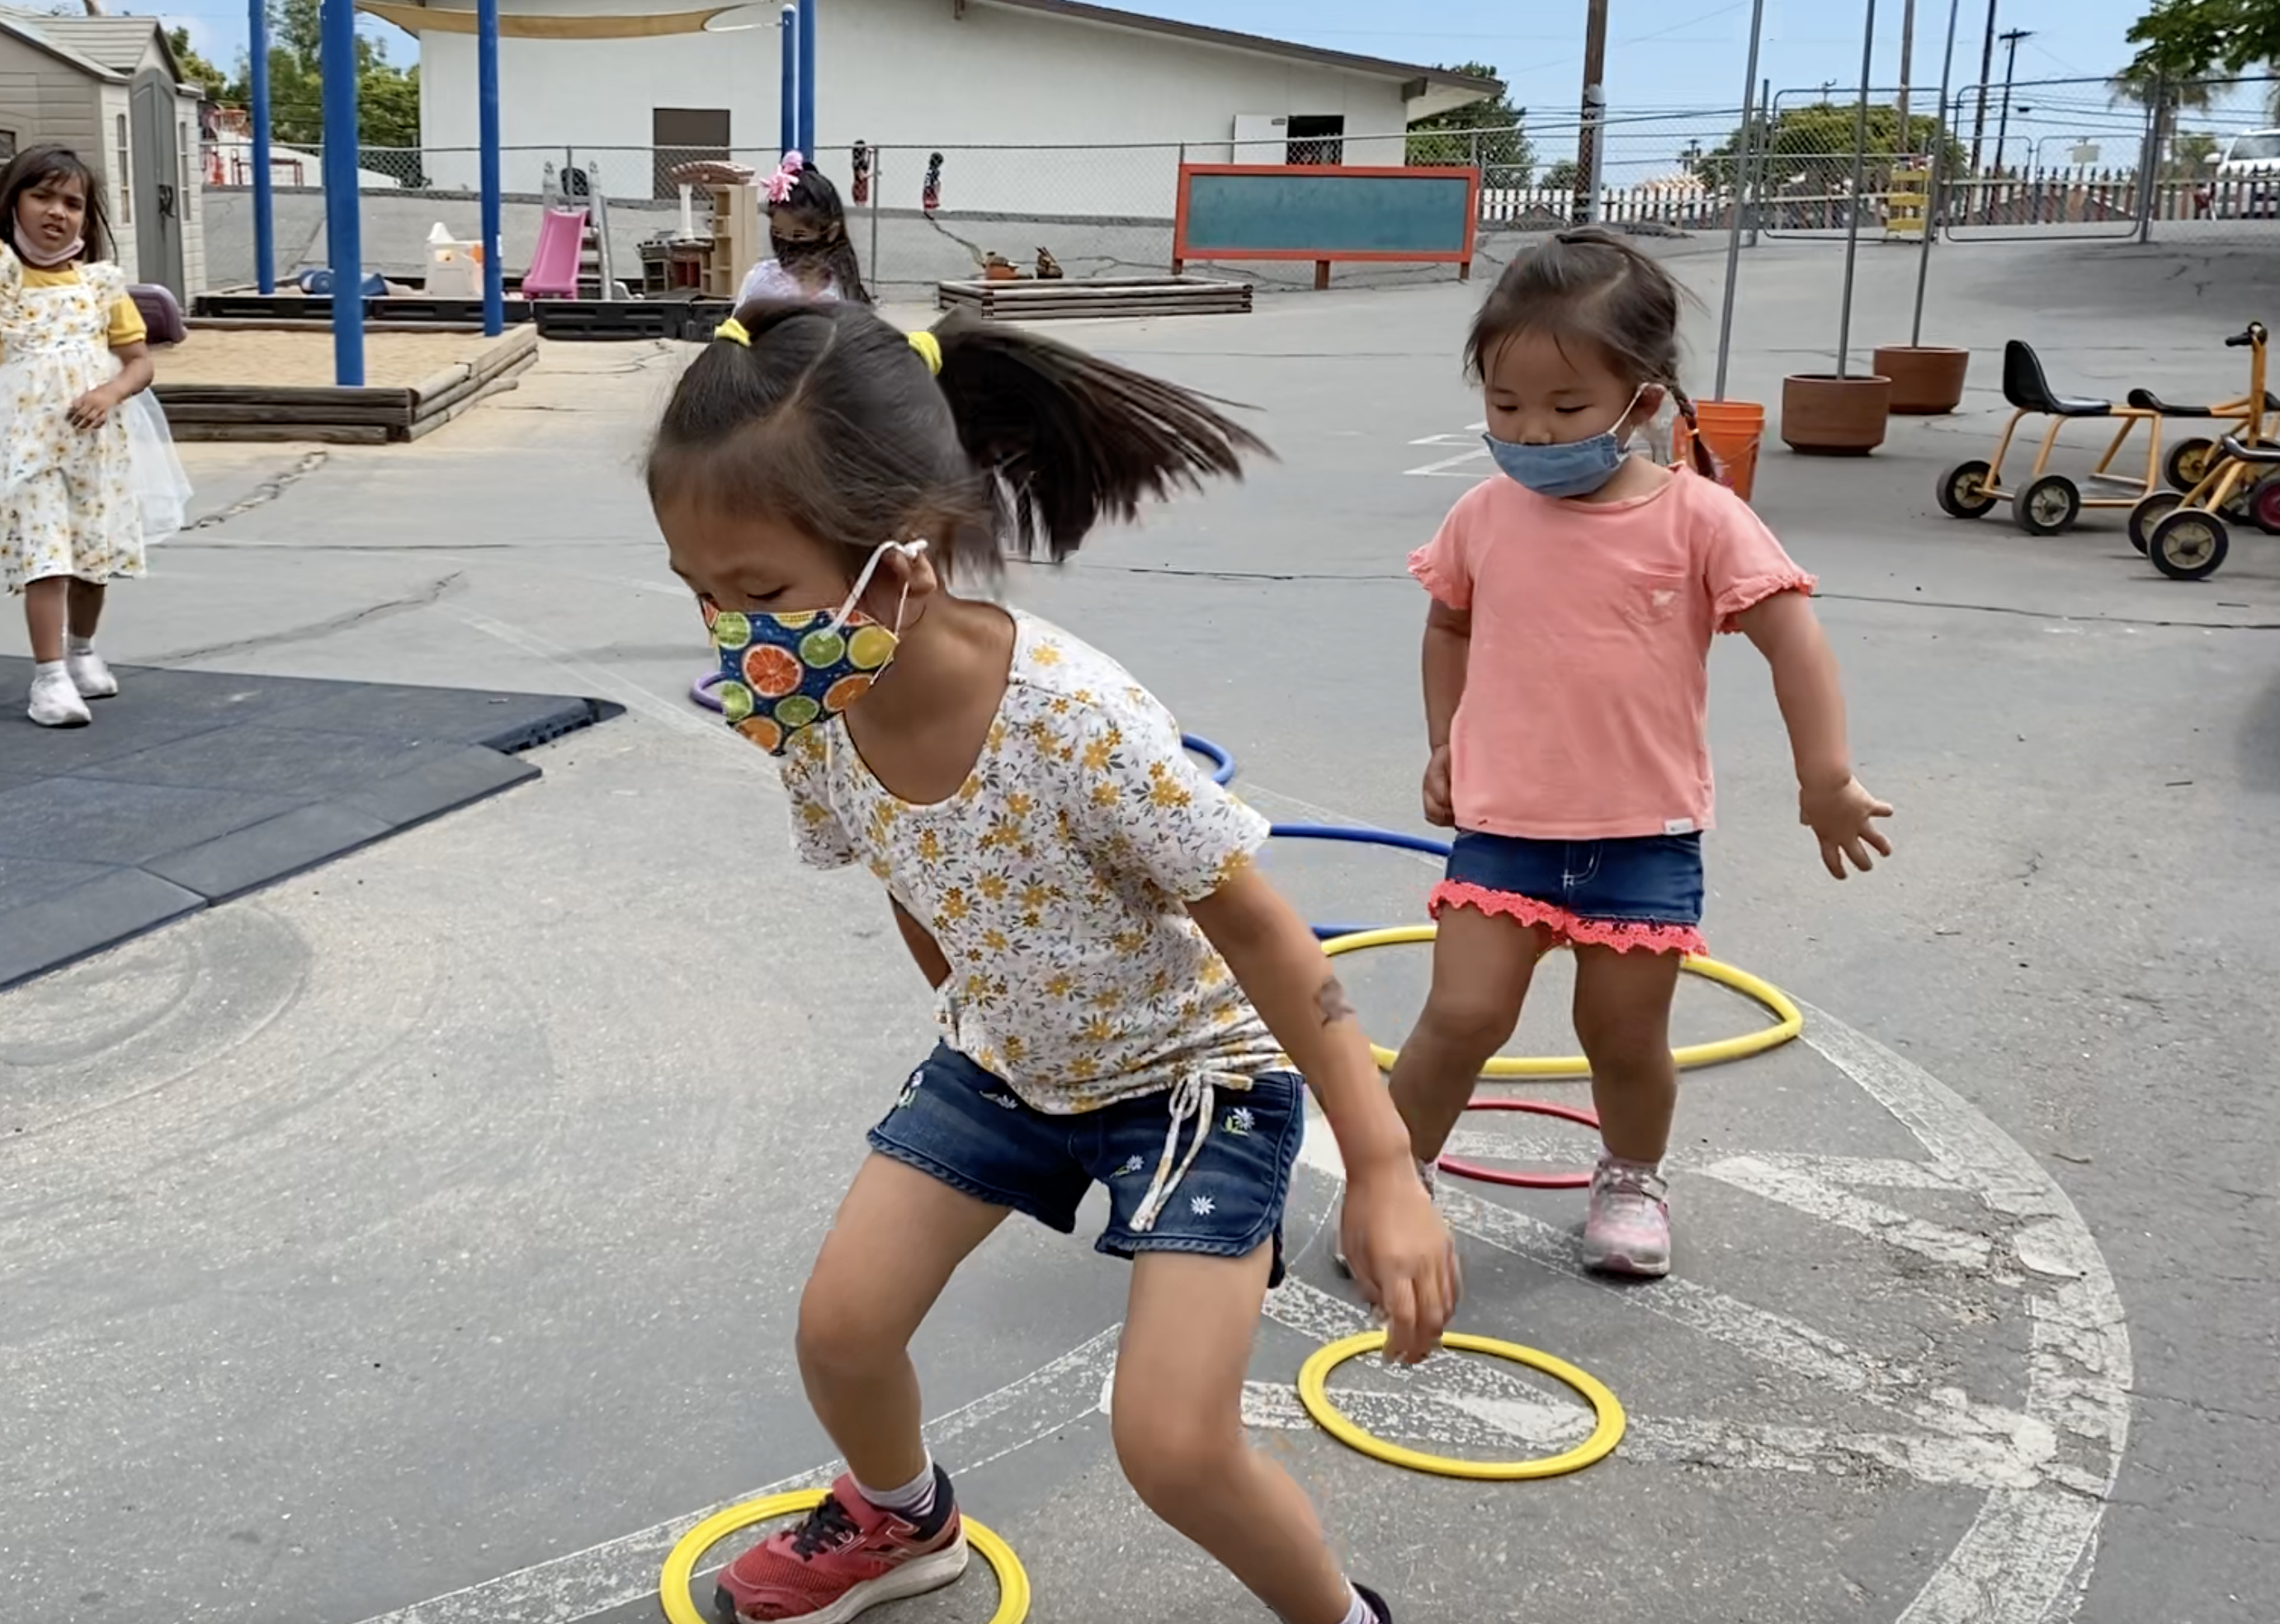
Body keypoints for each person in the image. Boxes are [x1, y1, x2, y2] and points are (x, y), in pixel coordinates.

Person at [649, 300, 1455, 1624]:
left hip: (1195, 1084)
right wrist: (976, 1032)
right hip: (1007, 1062)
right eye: (697, 591)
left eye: (756, 594)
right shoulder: (812, 717)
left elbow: (1262, 927)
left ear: (900, 562)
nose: (729, 633)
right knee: (841, 1333)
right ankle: (903, 1524)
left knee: (1174, 1447)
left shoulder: (1074, 721)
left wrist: (1381, 1166)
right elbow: (918, 889)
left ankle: (1341, 1619)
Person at [1390, 226, 1894, 1277]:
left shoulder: (1700, 520)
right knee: (1458, 1018)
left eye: (1566, 409)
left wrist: (1826, 777)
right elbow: (1448, 626)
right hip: (1503, 827)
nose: (1530, 433)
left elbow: (1791, 640)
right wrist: (1444, 742)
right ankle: (1397, 1182)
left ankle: (1628, 1177)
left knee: (1621, 1038)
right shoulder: (1484, 514)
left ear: (1645, 403)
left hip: (1641, 835)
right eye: (1504, 406)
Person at [0, 144, 189, 728]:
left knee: (93, 558)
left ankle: (82, 650)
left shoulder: (102, 284)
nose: (57, 212)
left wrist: (110, 392)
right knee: (47, 556)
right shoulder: (2, 273)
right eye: (41, 196)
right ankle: (48, 678)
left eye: (72, 202)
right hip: (28, 441)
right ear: (14, 202)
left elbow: (138, 362)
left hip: (95, 439)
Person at [736, 153, 869, 305]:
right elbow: (734, 328)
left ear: (831, 232)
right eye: (777, 232)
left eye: (799, 235)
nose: (786, 244)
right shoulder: (761, 280)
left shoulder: (843, 290)